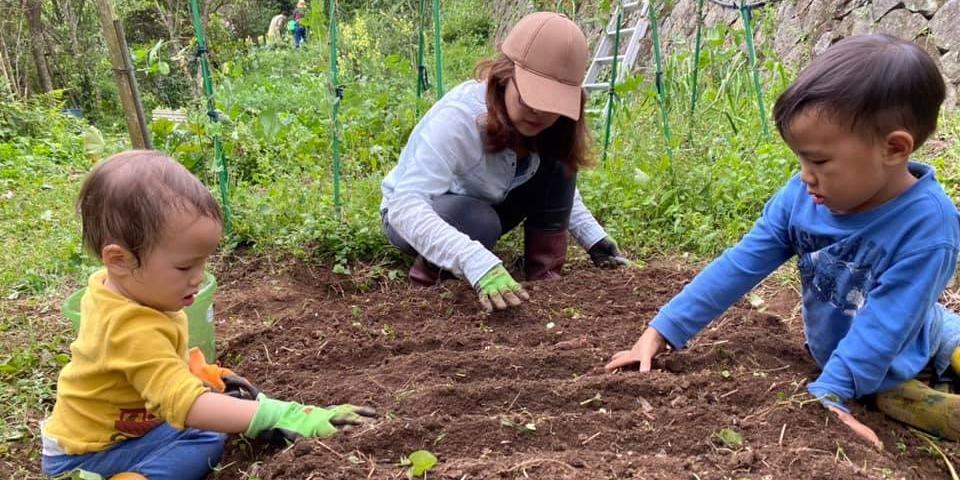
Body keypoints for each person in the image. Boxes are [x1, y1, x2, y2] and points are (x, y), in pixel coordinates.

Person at [606, 33, 960, 447]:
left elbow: (885, 326)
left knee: (916, 390)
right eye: (801, 159)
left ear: (893, 148)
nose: (805, 175)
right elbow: (740, 264)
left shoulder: (928, 230)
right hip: (898, 341)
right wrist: (661, 330)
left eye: (820, 161)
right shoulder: (802, 197)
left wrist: (832, 391)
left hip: (899, 348)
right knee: (901, 393)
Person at [40, 151, 376, 480]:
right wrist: (281, 413)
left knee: (212, 427)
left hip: (126, 433)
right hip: (89, 454)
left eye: (203, 262)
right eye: (185, 266)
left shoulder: (123, 289)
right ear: (119, 260)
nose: (198, 276)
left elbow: (145, 362)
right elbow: (185, 405)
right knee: (206, 434)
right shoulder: (128, 326)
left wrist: (197, 370)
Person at [380, 12, 629, 313]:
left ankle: (544, 282)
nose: (538, 112)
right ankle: (431, 281)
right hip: (423, 213)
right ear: (504, 77)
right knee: (478, 221)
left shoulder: (549, 126)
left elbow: (554, 189)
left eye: (551, 105)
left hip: (492, 201)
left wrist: (596, 240)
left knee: (557, 158)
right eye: (530, 98)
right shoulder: (459, 118)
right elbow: (404, 207)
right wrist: (475, 260)